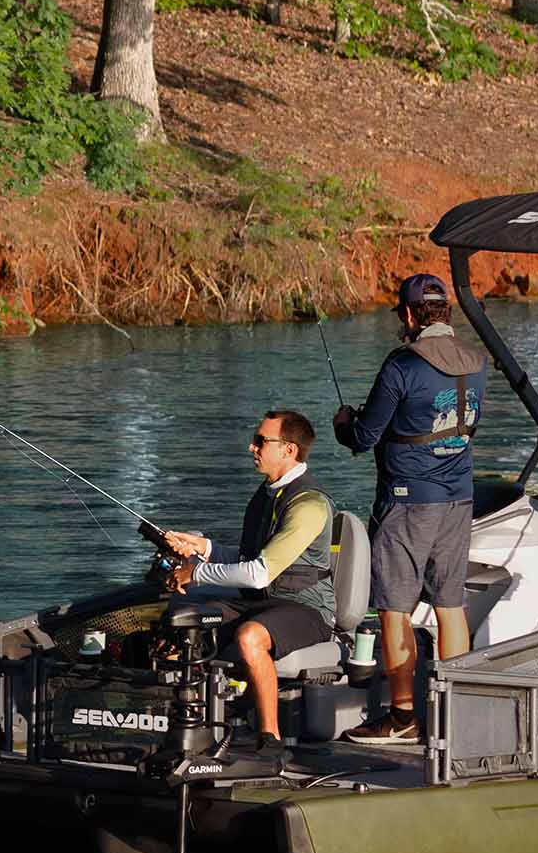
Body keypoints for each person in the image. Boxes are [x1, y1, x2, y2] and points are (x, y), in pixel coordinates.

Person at [335, 270, 488, 744]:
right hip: (458, 499)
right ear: (445, 312)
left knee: (394, 609)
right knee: (450, 605)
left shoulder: (402, 365)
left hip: (407, 503)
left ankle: (402, 718)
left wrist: (344, 425)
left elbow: (365, 437)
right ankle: (457, 714)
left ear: (408, 314)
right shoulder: (477, 360)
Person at [156, 412, 337, 745]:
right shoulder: (266, 495)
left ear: (289, 450)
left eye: (260, 441)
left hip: (308, 609)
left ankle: (270, 739)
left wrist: (195, 572)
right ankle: (191, 728)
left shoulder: (309, 504)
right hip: (259, 602)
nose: (251, 447)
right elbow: (246, 560)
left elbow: (258, 574)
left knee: (250, 636)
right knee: (184, 621)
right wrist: (204, 549)